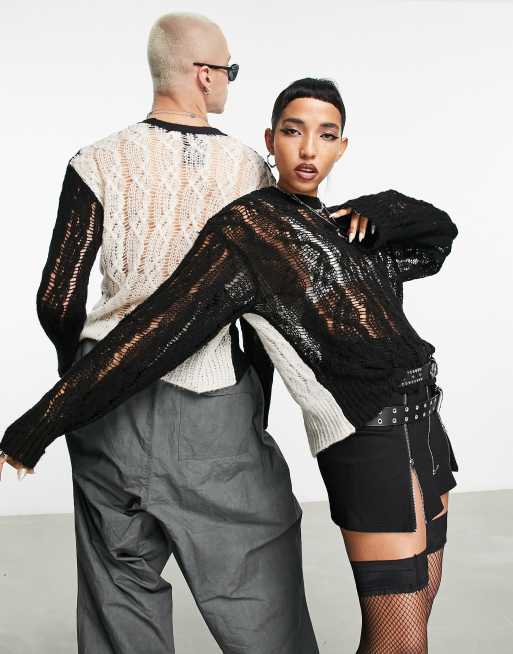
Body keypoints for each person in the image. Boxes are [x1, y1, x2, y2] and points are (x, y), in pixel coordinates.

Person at [1, 76, 459, 652]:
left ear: (343, 146)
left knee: (421, 609)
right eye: (293, 131)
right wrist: (35, 428)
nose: (309, 149)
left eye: (326, 135)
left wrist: (381, 211)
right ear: (270, 140)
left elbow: (439, 235)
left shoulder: (347, 227)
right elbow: (152, 335)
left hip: (427, 425)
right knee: (401, 638)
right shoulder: (247, 231)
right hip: (369, 437)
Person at [0, 14, 320, 654]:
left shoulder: (95, 161)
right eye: (228, 71)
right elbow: (271, 305)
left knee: (119, 583)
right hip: (210, 405)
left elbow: (57, 295)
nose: (228, 82)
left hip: (105, 403)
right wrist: (255, 398)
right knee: (257, 568)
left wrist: (80, 373)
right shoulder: (251, 171)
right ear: (203, 75)